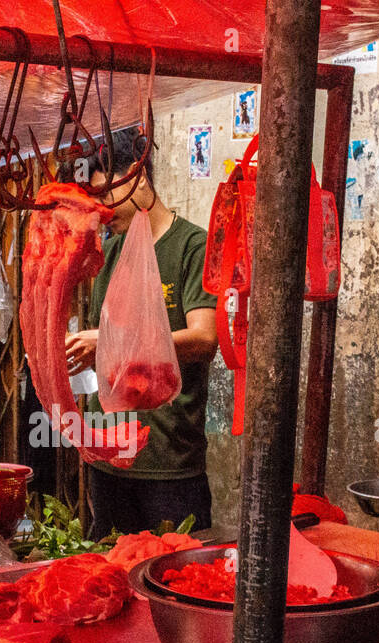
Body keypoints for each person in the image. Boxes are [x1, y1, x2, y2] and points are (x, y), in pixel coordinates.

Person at [64, 128, 219, 538]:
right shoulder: (111, 251)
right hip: (107, 454)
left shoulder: (192, 246)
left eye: (102, 195)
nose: (99, 210)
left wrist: (109, 341)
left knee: (172, 577)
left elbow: (204, 339)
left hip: (168, 460)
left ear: (137, 174)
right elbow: (107, 344)